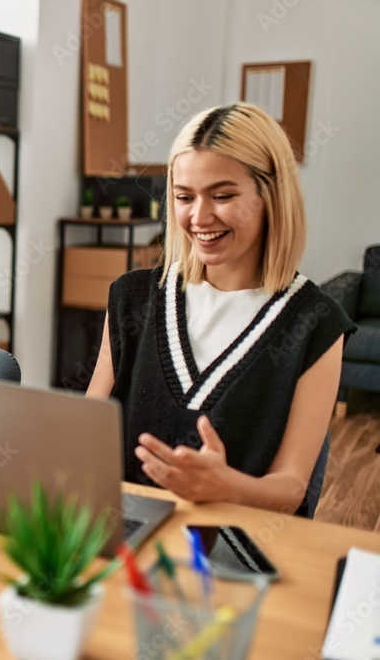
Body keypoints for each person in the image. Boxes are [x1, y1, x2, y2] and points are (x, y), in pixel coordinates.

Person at [87, 102, 356, 515]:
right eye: (184, 197)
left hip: (232, 550)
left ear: (271, 196)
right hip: (119, 536)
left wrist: (226, 485)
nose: (199, 216)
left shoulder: (314, 322)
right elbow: (85, 435)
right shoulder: (131, 298)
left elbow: (290, 489)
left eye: (223, 195)